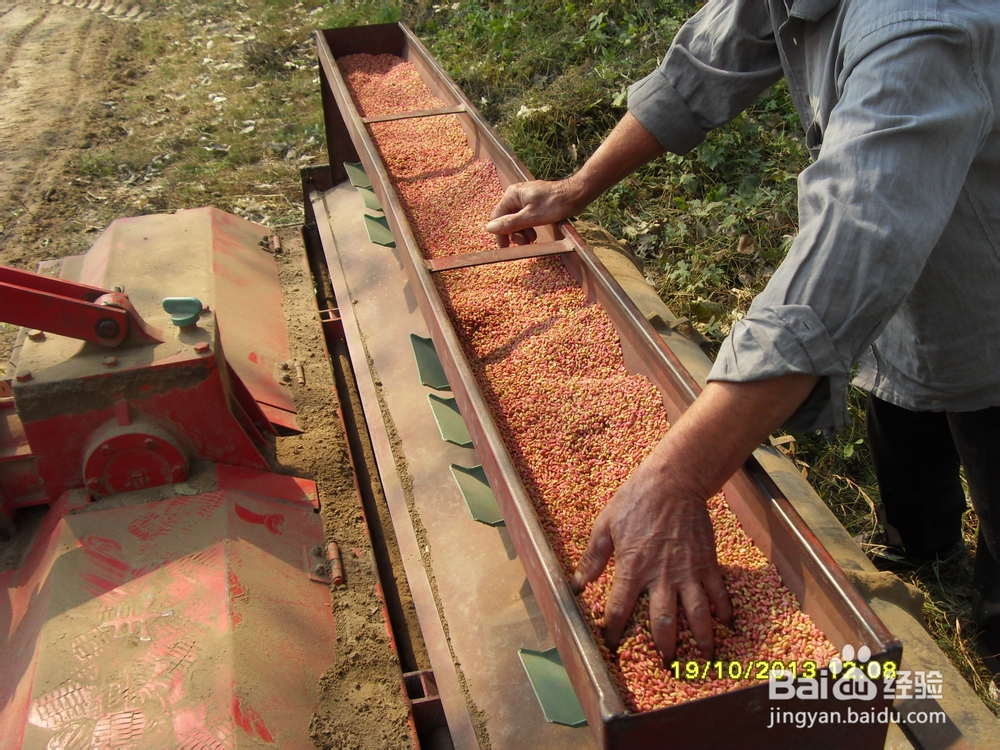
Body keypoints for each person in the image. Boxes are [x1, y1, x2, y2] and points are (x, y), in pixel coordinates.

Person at [484, 0, 1000, 674]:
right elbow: (705, 65)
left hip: (982, 267)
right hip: (911, 263)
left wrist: (678, 475)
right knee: (905, 394)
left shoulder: (917, 25)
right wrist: (578, 186)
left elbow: (854, 247)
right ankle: (922, 550)